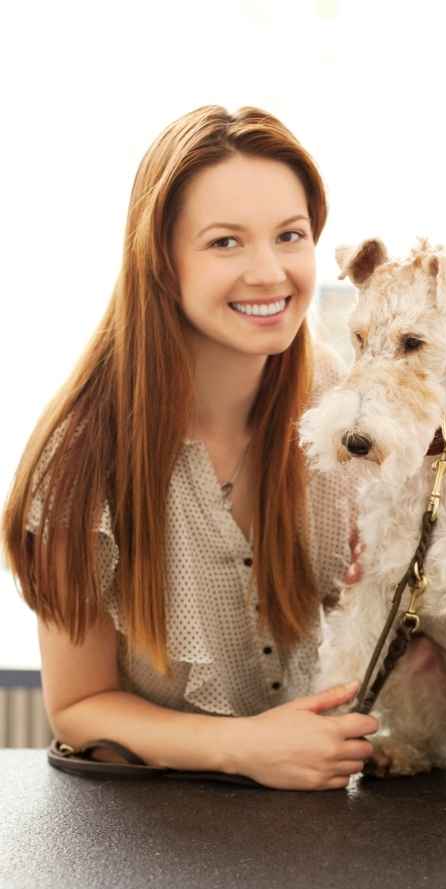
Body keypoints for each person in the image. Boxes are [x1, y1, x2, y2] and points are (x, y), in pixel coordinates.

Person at [2, 105, 379, 789]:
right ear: (161, 261)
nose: (269, 273)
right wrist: (247, 748)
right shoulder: (80, 461)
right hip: (158, 828)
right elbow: (79, 710)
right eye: (225, 243)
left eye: (290, 236)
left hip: (325, 819)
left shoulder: (348, 409)